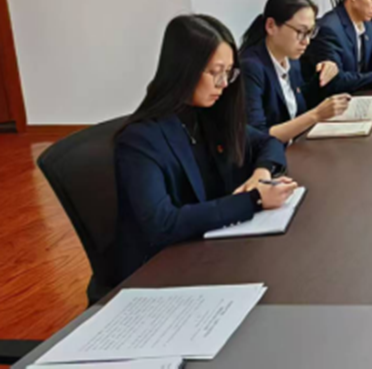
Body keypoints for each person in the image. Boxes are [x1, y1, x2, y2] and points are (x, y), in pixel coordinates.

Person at [115, 15, 297, 281]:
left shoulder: (208, 114)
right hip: (162, 270)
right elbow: (162, 224)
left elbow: (267, 142)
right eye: (214, 72)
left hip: (212, 251)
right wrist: (253, 200)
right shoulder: (141, 139)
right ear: (183, 70)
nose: (223, 83)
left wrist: (262, 173)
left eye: (229, 72)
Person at [240, 0, 353, 142]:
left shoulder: (291, 59)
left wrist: (323, 76)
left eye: (310, 32)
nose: (306, 41)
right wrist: (316, 115)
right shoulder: (251, 67)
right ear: (271, 26)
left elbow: (298, 104)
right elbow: (258, 137)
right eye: (301, 32)